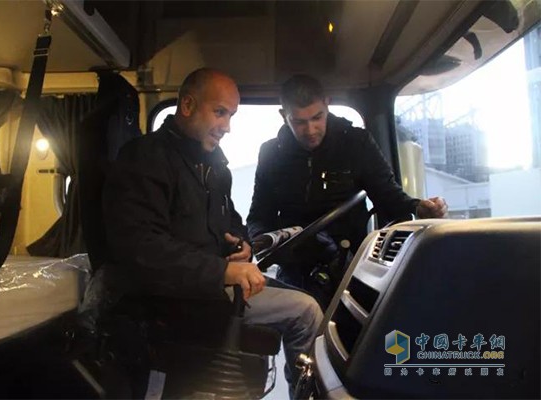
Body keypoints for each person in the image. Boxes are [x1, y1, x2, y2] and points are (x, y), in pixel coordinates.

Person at [102, 68, 323, 395]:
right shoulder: (145, 158)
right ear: (188, 106)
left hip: (209, 287)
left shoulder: (214, 165)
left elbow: (231, 219)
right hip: (173, 298)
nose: (227, 126)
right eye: (220, 112)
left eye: (231, 115)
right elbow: (142, 248)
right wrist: (222, 271)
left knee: (304, 299)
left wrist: (242, 244)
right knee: (307, 311)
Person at [247, 74, 448, 308]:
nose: (310, 130)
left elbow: (388, 195)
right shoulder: (271, 154)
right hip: (296, 266)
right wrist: (262, 243)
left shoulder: (356, 143)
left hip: (349, 262)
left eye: (317, 117)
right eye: (299, 122)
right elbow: (259, 216)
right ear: (284, 116)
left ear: (327, 105)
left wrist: (418, 207)